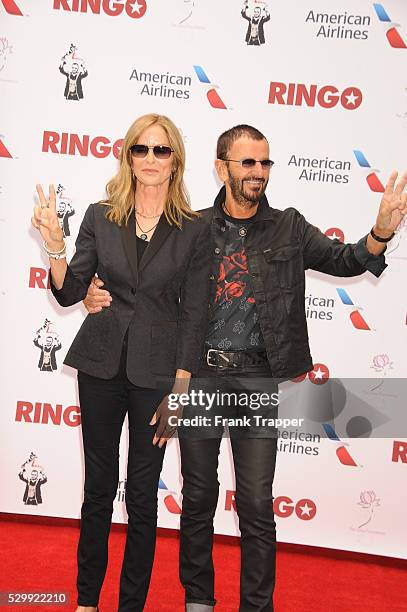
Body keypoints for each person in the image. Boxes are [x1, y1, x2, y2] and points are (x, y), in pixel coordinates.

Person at [83, 124, 407, 611]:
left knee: (256, 503)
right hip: (201, 375)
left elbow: (345, 260)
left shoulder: (290, 226)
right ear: (222, 168)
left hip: (258, 378)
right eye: (247, 163)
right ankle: (199, 600)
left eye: (265, 163)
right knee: (197, 499)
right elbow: (142, 285)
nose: (258, 172)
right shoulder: (190, 225)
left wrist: (381, 230)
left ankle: (256, 606)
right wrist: (91, 293)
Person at [31, 113, 211, 612]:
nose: (150, 159)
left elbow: (195, 313)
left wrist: (181, 389)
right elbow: (70, 291)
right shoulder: (99, 215)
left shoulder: (195, 229)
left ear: (175, 160)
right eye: (141, 149)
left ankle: (130, 604)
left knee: (143, 497)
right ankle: (87, 600)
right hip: (101, 363)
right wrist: (55, 245)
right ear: (128, 156)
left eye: (161, 150)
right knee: (98, 488)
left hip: (159, 375)